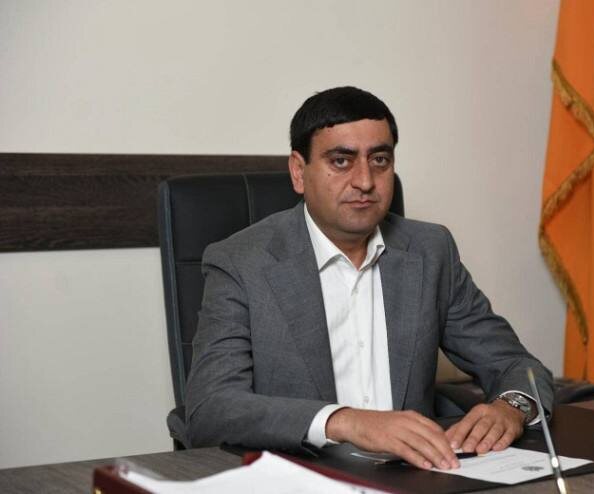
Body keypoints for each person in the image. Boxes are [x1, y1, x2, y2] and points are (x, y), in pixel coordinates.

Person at [185, 86, 553, 470]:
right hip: (303, 476)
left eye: (379, 159)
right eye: (341, 161)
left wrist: (510, 407)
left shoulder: (431, 251)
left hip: (415, 475)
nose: (364, 180)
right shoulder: (241, 263)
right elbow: (211, 408)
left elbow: (516, 365)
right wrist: (346, 421)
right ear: (298, 171)